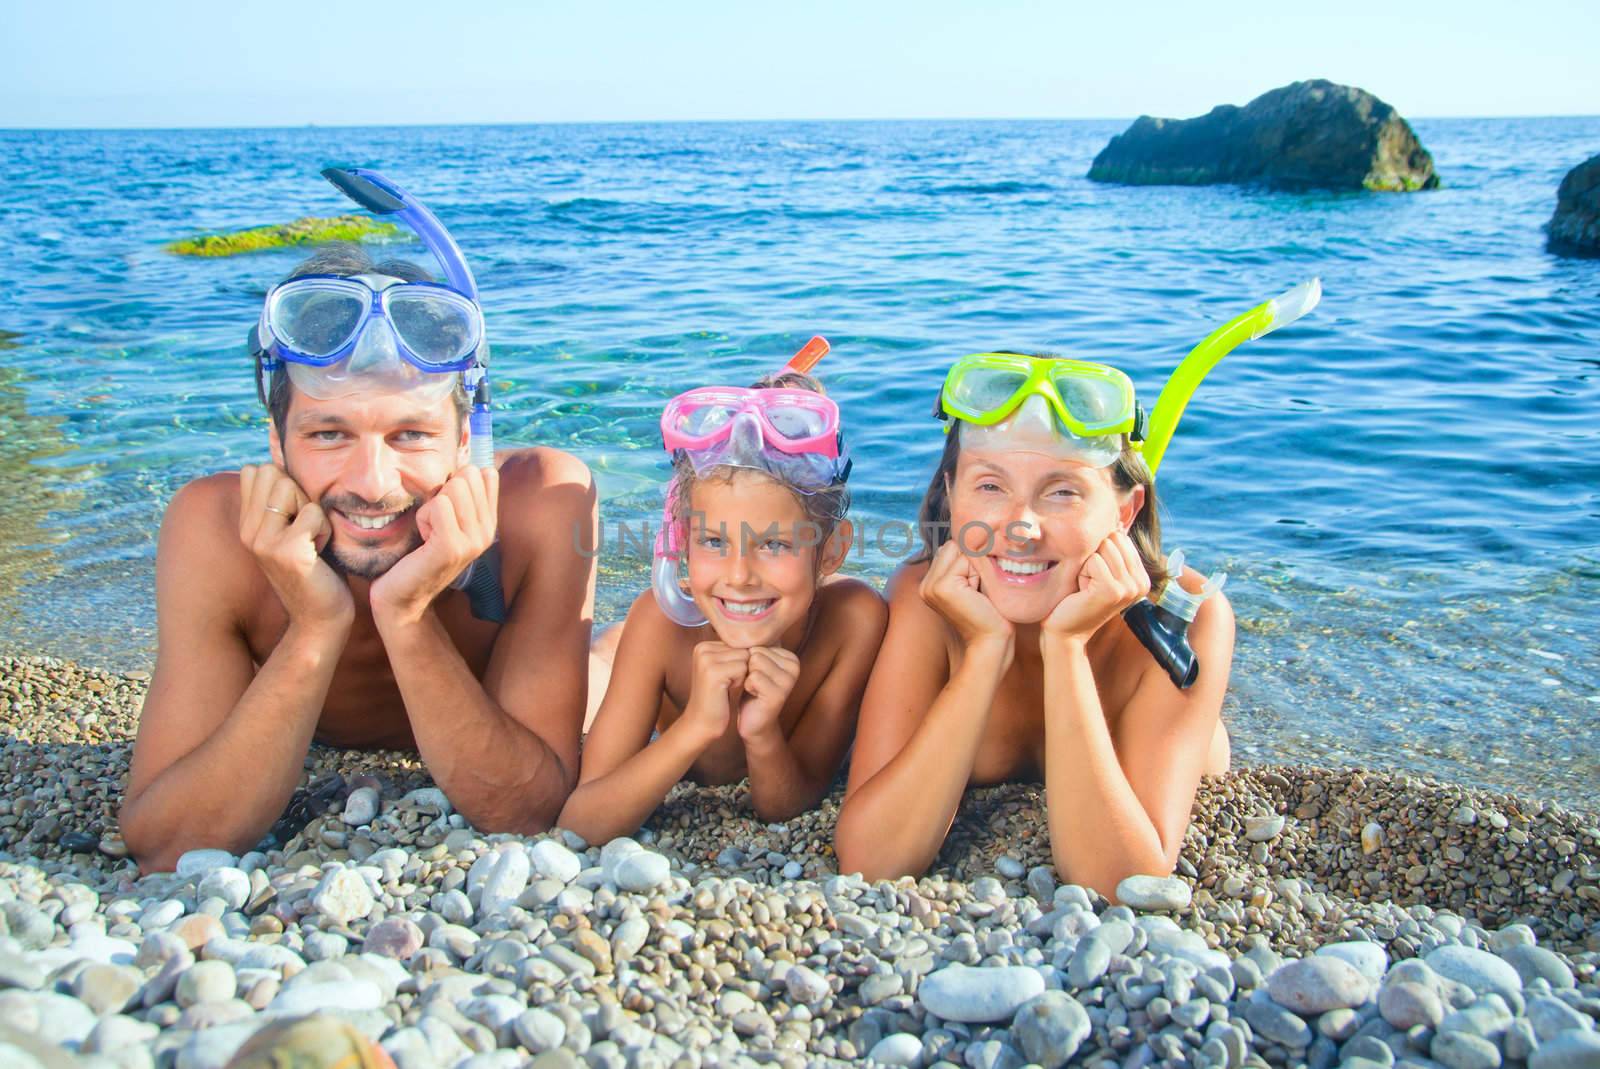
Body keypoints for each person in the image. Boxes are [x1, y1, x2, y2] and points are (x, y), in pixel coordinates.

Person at [120, 170, 597, 872]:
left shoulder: (542, 506)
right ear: (276, 441)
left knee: (614, 664)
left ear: (466, 443)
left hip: (508, 706)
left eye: (410, 436)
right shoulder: (211, 530)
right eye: (328, 435)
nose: (373, 486)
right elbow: (163, 840)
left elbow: (528, 811)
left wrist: (405, 615)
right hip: (308, 729)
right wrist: (314, 625)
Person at [835, 282, 1319, 896]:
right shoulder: (925, 597)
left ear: (1125, 510)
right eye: (990, 487)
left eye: (1063, 491)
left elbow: (1122, 880)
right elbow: (870, 860)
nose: (1020, 526)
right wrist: (986, 651)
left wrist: (1066, 648)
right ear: (951, 496)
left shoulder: (1185, 621)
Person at [560, 343, 886, 844]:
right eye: (713, 541)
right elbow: (582, 822)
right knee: (586, 675)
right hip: (625, 657)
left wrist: (762, 733)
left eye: (775, 544)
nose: (739, 576)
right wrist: (694, 727)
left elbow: (787, 804)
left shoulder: (853, 621)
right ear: (678, 542)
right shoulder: (661, 625)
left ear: (831, 551)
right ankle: (607, 648)